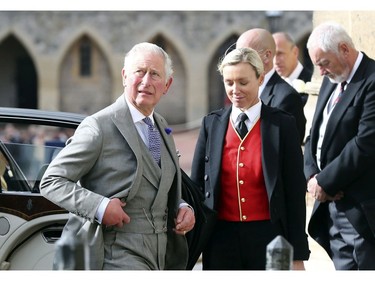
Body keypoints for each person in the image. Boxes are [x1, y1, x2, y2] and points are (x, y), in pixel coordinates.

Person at [40, 42, 195, 270]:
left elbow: (158, 188)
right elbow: (52, 181)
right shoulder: (98, 126)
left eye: (154, 74)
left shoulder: (161, 127)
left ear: (167, 85)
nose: (146, 82)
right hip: (112, 253)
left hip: (162, 256)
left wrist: (183, 208)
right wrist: (100, 207)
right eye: (139, 72)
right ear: (124, 76)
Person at [190, 47, 310, 270]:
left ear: (260, 78)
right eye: (229, 83)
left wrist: (298, 254)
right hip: (220, 239)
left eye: (243, 82)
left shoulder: (282, 124)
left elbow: (294, 192)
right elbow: (196, 186)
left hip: (270, 237)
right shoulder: (211, 124)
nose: (235, 90)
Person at [304, 21, 375, 270]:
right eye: (318, 66)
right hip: (330, 206)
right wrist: (313, 175)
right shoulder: (331, 79)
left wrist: (325, 181)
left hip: (360, 209)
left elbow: (365, 144)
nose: (321, 72)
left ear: (344, 48)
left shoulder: (372, 80)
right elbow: (315, 134)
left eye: (324, 63)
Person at [236, 28, 306, 144]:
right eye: (237, 54)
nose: (239, 61)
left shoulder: (287, 98)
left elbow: (286, 150)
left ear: (267, 56)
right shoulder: (237, 92)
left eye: (246, 54)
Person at [272, 31, 313, 106]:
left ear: (295, 52)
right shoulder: (270, 85)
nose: (275, 61)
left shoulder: (311, 82)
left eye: (280, 53)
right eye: (272, 55)